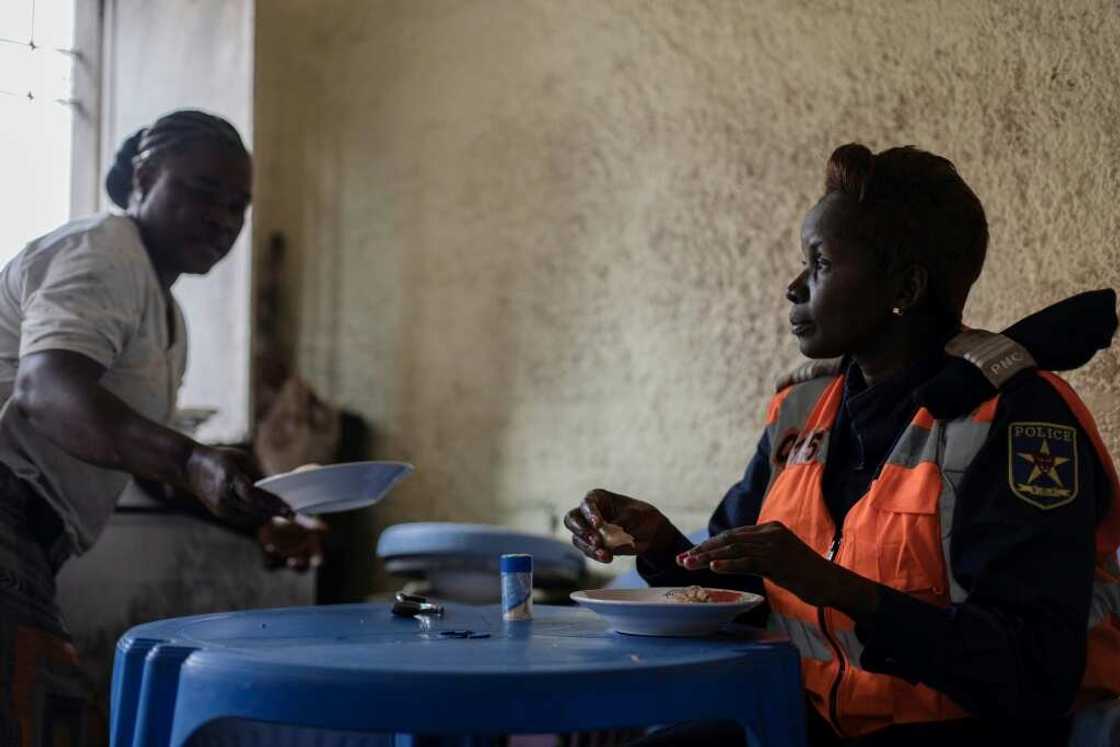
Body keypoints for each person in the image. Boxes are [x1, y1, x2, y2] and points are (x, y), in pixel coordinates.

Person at [565, 144, 1120, 746]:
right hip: (810, 721)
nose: (794, 286)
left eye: (821, 263)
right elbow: (748, 598)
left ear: (904, 287)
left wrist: (834, 586)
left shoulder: (1015, 418)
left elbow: (1033, 673)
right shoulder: (804, 410)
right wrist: (662, 545)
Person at [0, 110, 323, 746]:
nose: (224, 219)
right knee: (45, 721)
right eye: (203, 192)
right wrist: (193, 460)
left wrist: (258, 518)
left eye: (239, 205)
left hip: (30, 536)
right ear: (143, 176)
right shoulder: (104, 250)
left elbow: (148, 465)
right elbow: (46, 390)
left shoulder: (166, 317)